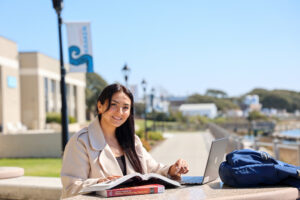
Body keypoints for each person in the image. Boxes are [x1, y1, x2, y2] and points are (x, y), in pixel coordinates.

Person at [61, 83, 189, 198]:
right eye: (113, 105)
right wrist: (99, 183)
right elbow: (71, 187)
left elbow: (153, 169)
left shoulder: (133, 140)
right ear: (100, 106)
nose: (119, 112)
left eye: (125, 107)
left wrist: (173, 169)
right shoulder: (80, 141)